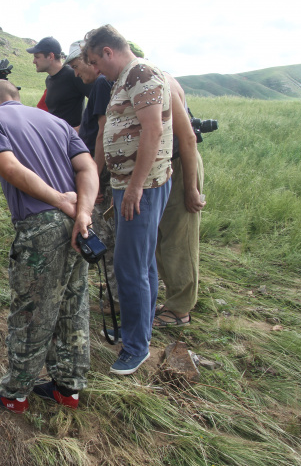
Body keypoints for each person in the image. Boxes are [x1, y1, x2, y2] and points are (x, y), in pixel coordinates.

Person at [0, 80, 99, 413]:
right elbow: (88, 166)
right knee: (73, 303)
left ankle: (14, 393)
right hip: (79, 224)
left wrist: (59, 201)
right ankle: (67, 388)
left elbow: (9, 167)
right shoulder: (57, 122)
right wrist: (82, 212)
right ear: (19, 98)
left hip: (40, 230)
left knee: (32, 309)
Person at [83, 25, 173, 375]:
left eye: (94, 61)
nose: (95, 70)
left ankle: (136, 347)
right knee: (142, 263)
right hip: (127, 184)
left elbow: (153, 129)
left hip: (143, 187)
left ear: (107, 51)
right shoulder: (122, 79)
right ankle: (141, 330)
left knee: (128, 267)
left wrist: (135, 187)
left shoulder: (141, 72)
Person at [64, 40, 119, 314]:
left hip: (100, 173)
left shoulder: (100, 85)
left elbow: (102, 133)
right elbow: (90, 128)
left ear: (90, 60)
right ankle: (113, 290)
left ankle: (115, 299)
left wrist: (93, 177)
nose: (77, 73)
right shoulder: (103, 86)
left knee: (103, 234)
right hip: (102, 171)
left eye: (77, 66)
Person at [154, 73, 205, 327]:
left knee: (179, 238)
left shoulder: (162, 82)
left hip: (180, 165)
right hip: (166, 166)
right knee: (161, 238)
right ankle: (174, 299)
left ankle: (180, 310)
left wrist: (192, 188)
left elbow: (188, 139)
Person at [27, 36, 91, 129]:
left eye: (37, 57)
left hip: (71, 140)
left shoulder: (73, 74)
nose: (34, 61)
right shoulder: (49, 79)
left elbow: (98, 99)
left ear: (51, 56)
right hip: (55, 138)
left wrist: (80, 129)